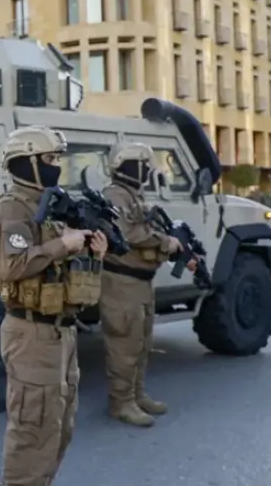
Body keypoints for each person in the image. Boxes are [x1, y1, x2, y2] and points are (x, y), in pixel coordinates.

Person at [0, 126, 108, 486]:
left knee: (57, 428)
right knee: (33, 431)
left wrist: (91, 252)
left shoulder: (49, 207)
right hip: (30, 332)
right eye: (49, 159)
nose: (56, 166)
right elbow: (11, 266)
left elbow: (59, 270)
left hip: (61, 330)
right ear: (26, 162)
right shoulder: (10, 209)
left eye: (57, 159)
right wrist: (63, 244)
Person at [99, 142, 190, 427]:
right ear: (129, 165)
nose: (149, 170)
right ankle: (121, 402)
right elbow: (128, 233)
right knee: (124, 345)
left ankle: (136, 395)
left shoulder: (132, 196)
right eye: (144, 165)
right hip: (121, 282)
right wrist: (165, 242)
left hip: (139, 282)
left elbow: (144, 229)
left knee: (141, 344)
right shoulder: (115, 195)